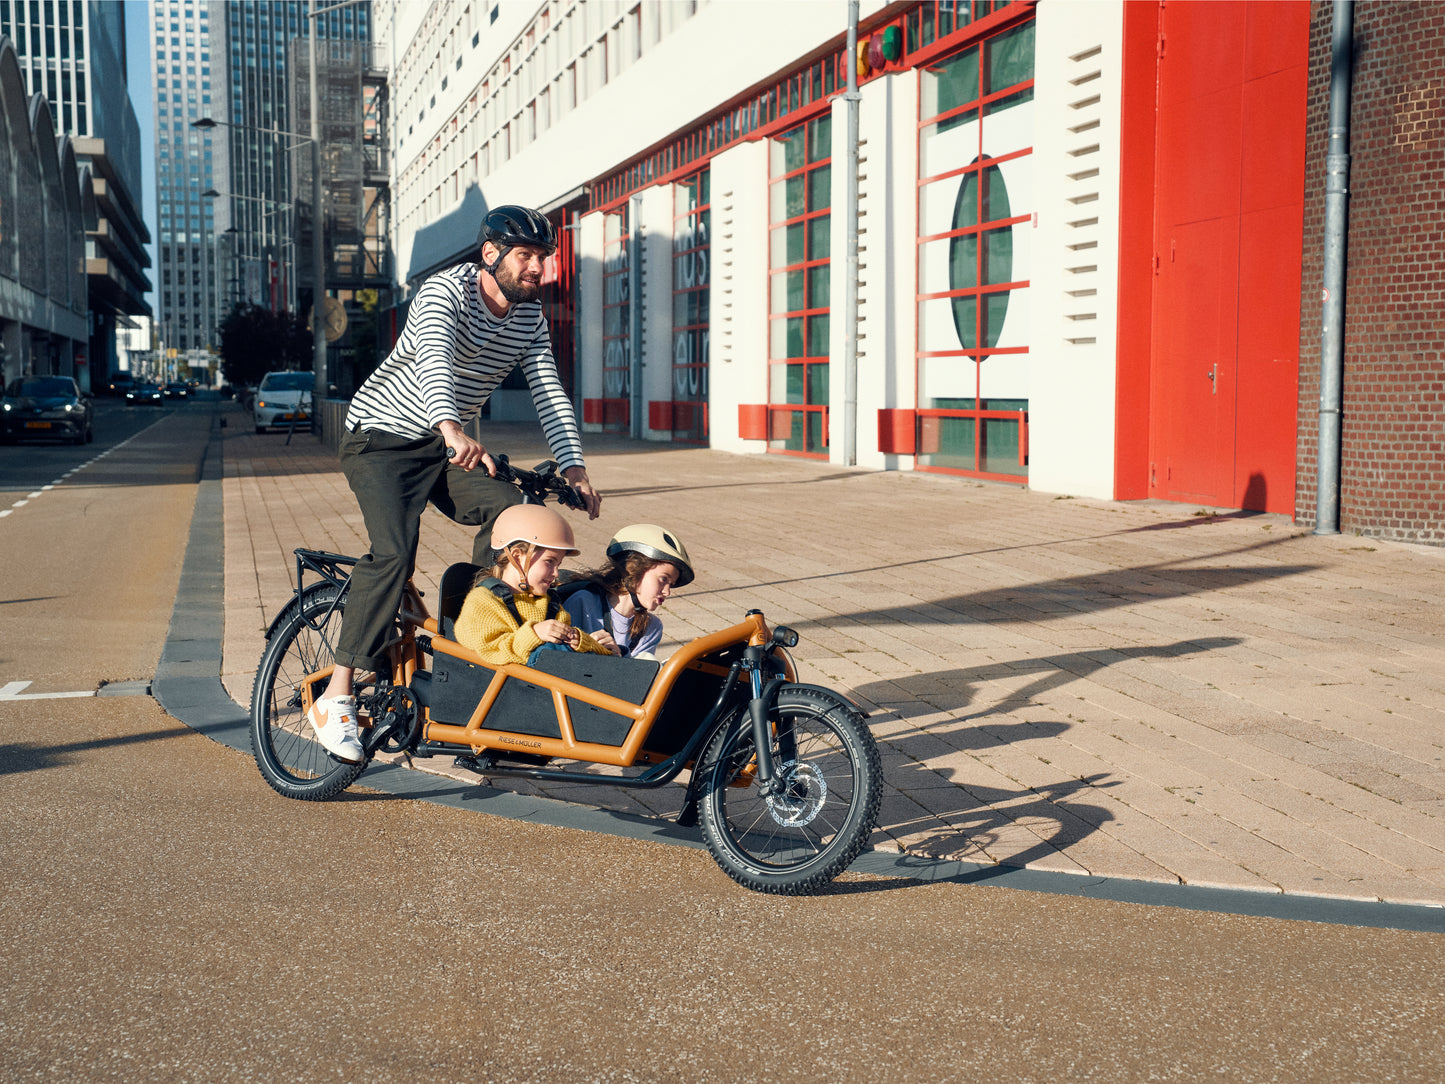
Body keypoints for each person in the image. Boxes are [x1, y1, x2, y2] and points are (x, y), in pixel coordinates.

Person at [307, 205, 601, 765]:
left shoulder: (529, 318)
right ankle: (336, 695)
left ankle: (478, 650)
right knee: (394, 553)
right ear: (491, 253)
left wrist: (574, 468)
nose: (537, 267)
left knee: (512, 514)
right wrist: (450, 426)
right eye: (526, 255)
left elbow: (548, 389)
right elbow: (434, 362)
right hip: (381, 438)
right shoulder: (446, 291)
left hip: (444, 445)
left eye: (543, 257)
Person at [453, 504, 612, 666]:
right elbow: (491, 651)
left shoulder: (549, 604)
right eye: (549, 562)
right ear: (517, 557)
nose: (556, 573)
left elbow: (563, 655)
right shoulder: (483, 602)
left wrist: (583, 641)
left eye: (558, 564)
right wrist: (534, 634)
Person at [563, 524, 695, 663]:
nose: (667, 592)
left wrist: (619, 657)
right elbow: (559, 660)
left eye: (671, 584)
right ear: (634, 569)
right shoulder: (583, 602)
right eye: (663, 579)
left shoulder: (652, 628)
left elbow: (638, 675)